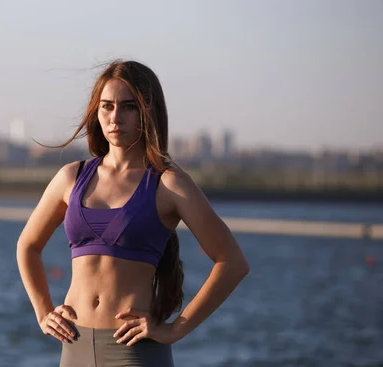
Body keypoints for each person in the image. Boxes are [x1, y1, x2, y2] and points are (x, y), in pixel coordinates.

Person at [16, 60, 249, 367]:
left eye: (128, 106)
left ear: (147, 111)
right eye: (107, 106)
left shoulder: (168, 184)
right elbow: (28, 246)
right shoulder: (71, 177)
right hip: (73, 346)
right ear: (95, 111)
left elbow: (232, 262)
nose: (115, 117)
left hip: (134, 353)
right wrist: (43, 311)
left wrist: (176, 329)